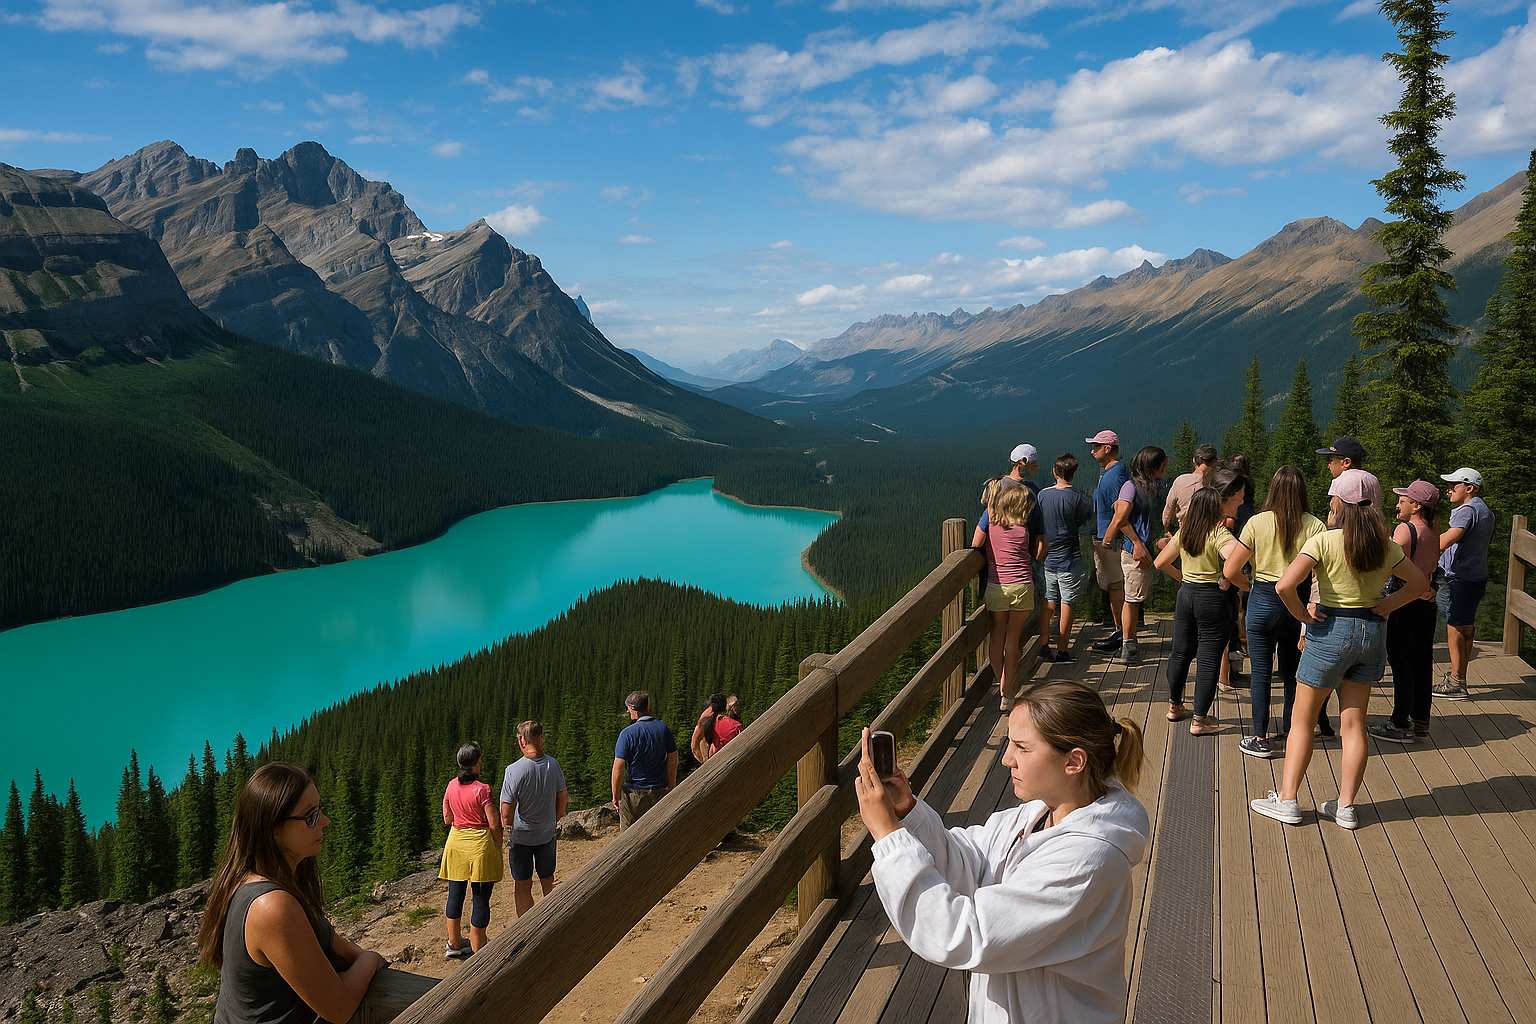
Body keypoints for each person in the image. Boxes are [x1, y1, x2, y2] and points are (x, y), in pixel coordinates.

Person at [855, 679, 1148, 1024]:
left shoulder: (1087, 861)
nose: (1007, 758)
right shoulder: (1038, 813)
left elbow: (964, 934)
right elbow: (970, 862)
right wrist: (907, 812)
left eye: (1023, 748)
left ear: (1074, 761)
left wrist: (888, 836)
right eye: (1010, 743)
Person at [1251, 469, 1430, 830]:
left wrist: (1304, 615)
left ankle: (1288, 800)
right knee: (1353, 724)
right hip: (1371, 632)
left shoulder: (1324, 541)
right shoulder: (1386, 545)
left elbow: (1285, 586)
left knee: (1302, 721)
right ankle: (1346, 806)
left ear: (1340, 504)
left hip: (1330, 630)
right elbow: (1421, 584)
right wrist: (1388, 604)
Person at [199, 763, 437, 1024]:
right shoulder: (271, 905)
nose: (325, 821)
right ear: (273, 828)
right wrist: (370, 959)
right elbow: (339, 1008)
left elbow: (334, 942)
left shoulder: (265, 878)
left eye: (320, 810)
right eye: (310, 816)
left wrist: (360, 959)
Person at [1223, 466, 1329, 758]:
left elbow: (1230, 570)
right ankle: (1289, 728)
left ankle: (1259, 737)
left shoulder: (1257, 523)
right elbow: (1321, 573)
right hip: (1297, 603)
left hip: (1263, 599)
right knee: (1292, 670)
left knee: (1261, 672)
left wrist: (1251, 585)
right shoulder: (1315, 526)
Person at [1154, 474, 1246, 734]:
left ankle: (1174, 706)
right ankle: (1200, 719)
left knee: (1180, 652)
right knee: (1208, 659)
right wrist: (1240, 582)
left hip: (1186, 595)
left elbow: (1160, 562)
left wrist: (1183, 577)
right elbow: (1233, 562)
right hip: (1213, 598)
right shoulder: (1219, 533)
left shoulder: (1186, 532)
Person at [1369, 481, 1441, 743]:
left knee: (1400, 662)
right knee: (1421, 662)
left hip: (1404, 600)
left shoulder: (1405, 530)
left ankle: (1399, 722)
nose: (1398, 503)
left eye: (1404, 500)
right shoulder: (1433, 529)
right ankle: (1420, 720)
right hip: (1427, 602)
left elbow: (1388, 566)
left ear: (1417, 505)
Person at [971, 481, 1038, 710]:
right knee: (1013, 641)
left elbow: (975, 542)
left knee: (997, 635)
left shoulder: (992, 521)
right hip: (1022, 586)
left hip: (997, 586)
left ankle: (1002, 682)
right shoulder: (1023, 526)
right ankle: (1008, 692)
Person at [1102, 446, 1168, 663]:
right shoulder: (1130, 487)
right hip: (1136, 551)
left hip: (1150, 549)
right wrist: (1137, 542)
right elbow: (1121, 519)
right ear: (1154, 466)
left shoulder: (1155, 486)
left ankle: (1129, 640)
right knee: (1132, 598)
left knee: (1136, 596)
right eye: (1163, 464)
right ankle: (1127, 645)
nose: (1166, 468)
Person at [1434, 467, 1495, 700]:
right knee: (1465, 625)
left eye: (1454, 485)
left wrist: (1421, 544)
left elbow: (1448, 539)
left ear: (1470, 488)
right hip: (1475, 575)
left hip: (1459, 577)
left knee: (1455, 625)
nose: (1448, 489)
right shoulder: (1484, 510)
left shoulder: (1467, 510)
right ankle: (1460, 676)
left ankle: (1457, 682)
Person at [439, 741, 503, 957]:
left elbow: (447, 819)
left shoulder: (450, 785)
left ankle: (454, 944)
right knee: (480, 898)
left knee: (455, 895)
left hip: (456, 843)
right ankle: (479, 948)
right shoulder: (482, 789)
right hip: (479, 845)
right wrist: (498, 844)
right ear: (476, 763)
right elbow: (494, 823)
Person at [500, 721, 568, 917]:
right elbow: (562, 798)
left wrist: (508, 829)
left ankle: (526, 926)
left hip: (521, 837)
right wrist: (553, 819)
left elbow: (506, 811)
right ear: (541, 737)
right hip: (546, 834)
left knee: (522, 884)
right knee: (547, 879)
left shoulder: (514, 770)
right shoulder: (553, 764)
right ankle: (550, 919)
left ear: (522, 740)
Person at [1036, 453, 1095, 663]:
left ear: (1054, 471)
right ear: (1073, 473)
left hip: (1048, 559)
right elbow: (1085, 521)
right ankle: (1062, 650)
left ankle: (1044, 645)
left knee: (1049, 601)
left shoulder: (1042, 495)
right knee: (1067, 602)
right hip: (1069, 558)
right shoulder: (1079, 498)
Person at [1085, 430, 1131, 654]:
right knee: (1114, 586)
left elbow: (1120, 510)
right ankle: (1120, 631)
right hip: (1105, 537)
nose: (1092, 450)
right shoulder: (1109, 473)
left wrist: (1110, 537)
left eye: (1096, 446)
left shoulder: (1114, 476)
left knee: (1116, 586)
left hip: (1108, 540)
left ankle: (1122, 635)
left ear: (1108, 449)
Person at [612, 691, 678, 829]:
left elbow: (618, 767)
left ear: (632, 708)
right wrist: (671, 785)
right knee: (657, 831)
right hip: (659, 790)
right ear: (647, 707)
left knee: (629, 835)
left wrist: (615, 795)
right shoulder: (663, 729)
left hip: (634, 793)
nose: (627, 710)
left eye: (628, 707)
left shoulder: (627, 733)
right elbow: (673, 758)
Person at [1162, 443, 1219, 532]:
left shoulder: (1180, 481)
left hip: (1183, 534)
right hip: (1207, 535)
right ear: (1214, 462)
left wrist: (1168, 531)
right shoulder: (1216, 487)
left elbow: (1167, 515)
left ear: (1194, 461)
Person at [1317, 437, 1383, 508]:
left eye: (1330, 460)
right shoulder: (1372, 479)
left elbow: (1338, 515)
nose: (1328, 465)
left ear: (1346, 462)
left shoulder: (1342, 480)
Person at [691, 692, 743, 762]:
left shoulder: (708, 717)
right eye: (733, 705)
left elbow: (695, 746)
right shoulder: (708, 718)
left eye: (737, 705)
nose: (736, 708)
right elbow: (695, 745)